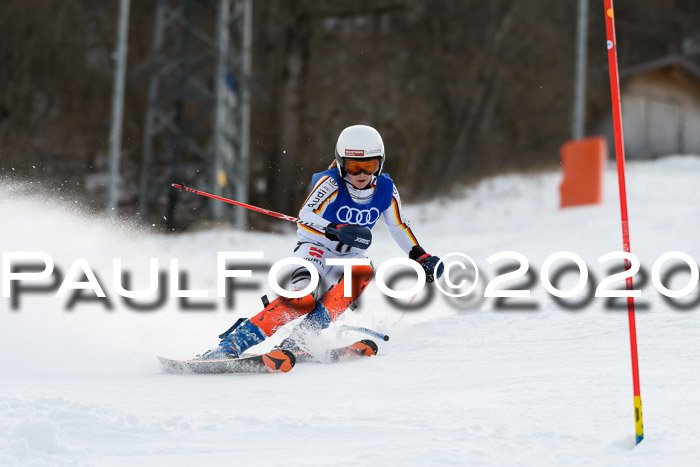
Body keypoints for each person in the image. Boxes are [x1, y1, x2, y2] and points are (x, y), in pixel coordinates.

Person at [203, 125, 443, 359]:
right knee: (302, 299)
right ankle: (231, 346)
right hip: (315, 250)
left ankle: (301, 339)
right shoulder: (330, 184)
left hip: (350, 256)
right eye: (354, 167)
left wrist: (420, 255)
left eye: (369, 166)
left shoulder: (386, 190)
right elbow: (305, 216)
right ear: (340, 163)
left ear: (379, 164)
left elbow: (399, 226)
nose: (361, 174)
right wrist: (334, 230)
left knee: (362, 272)